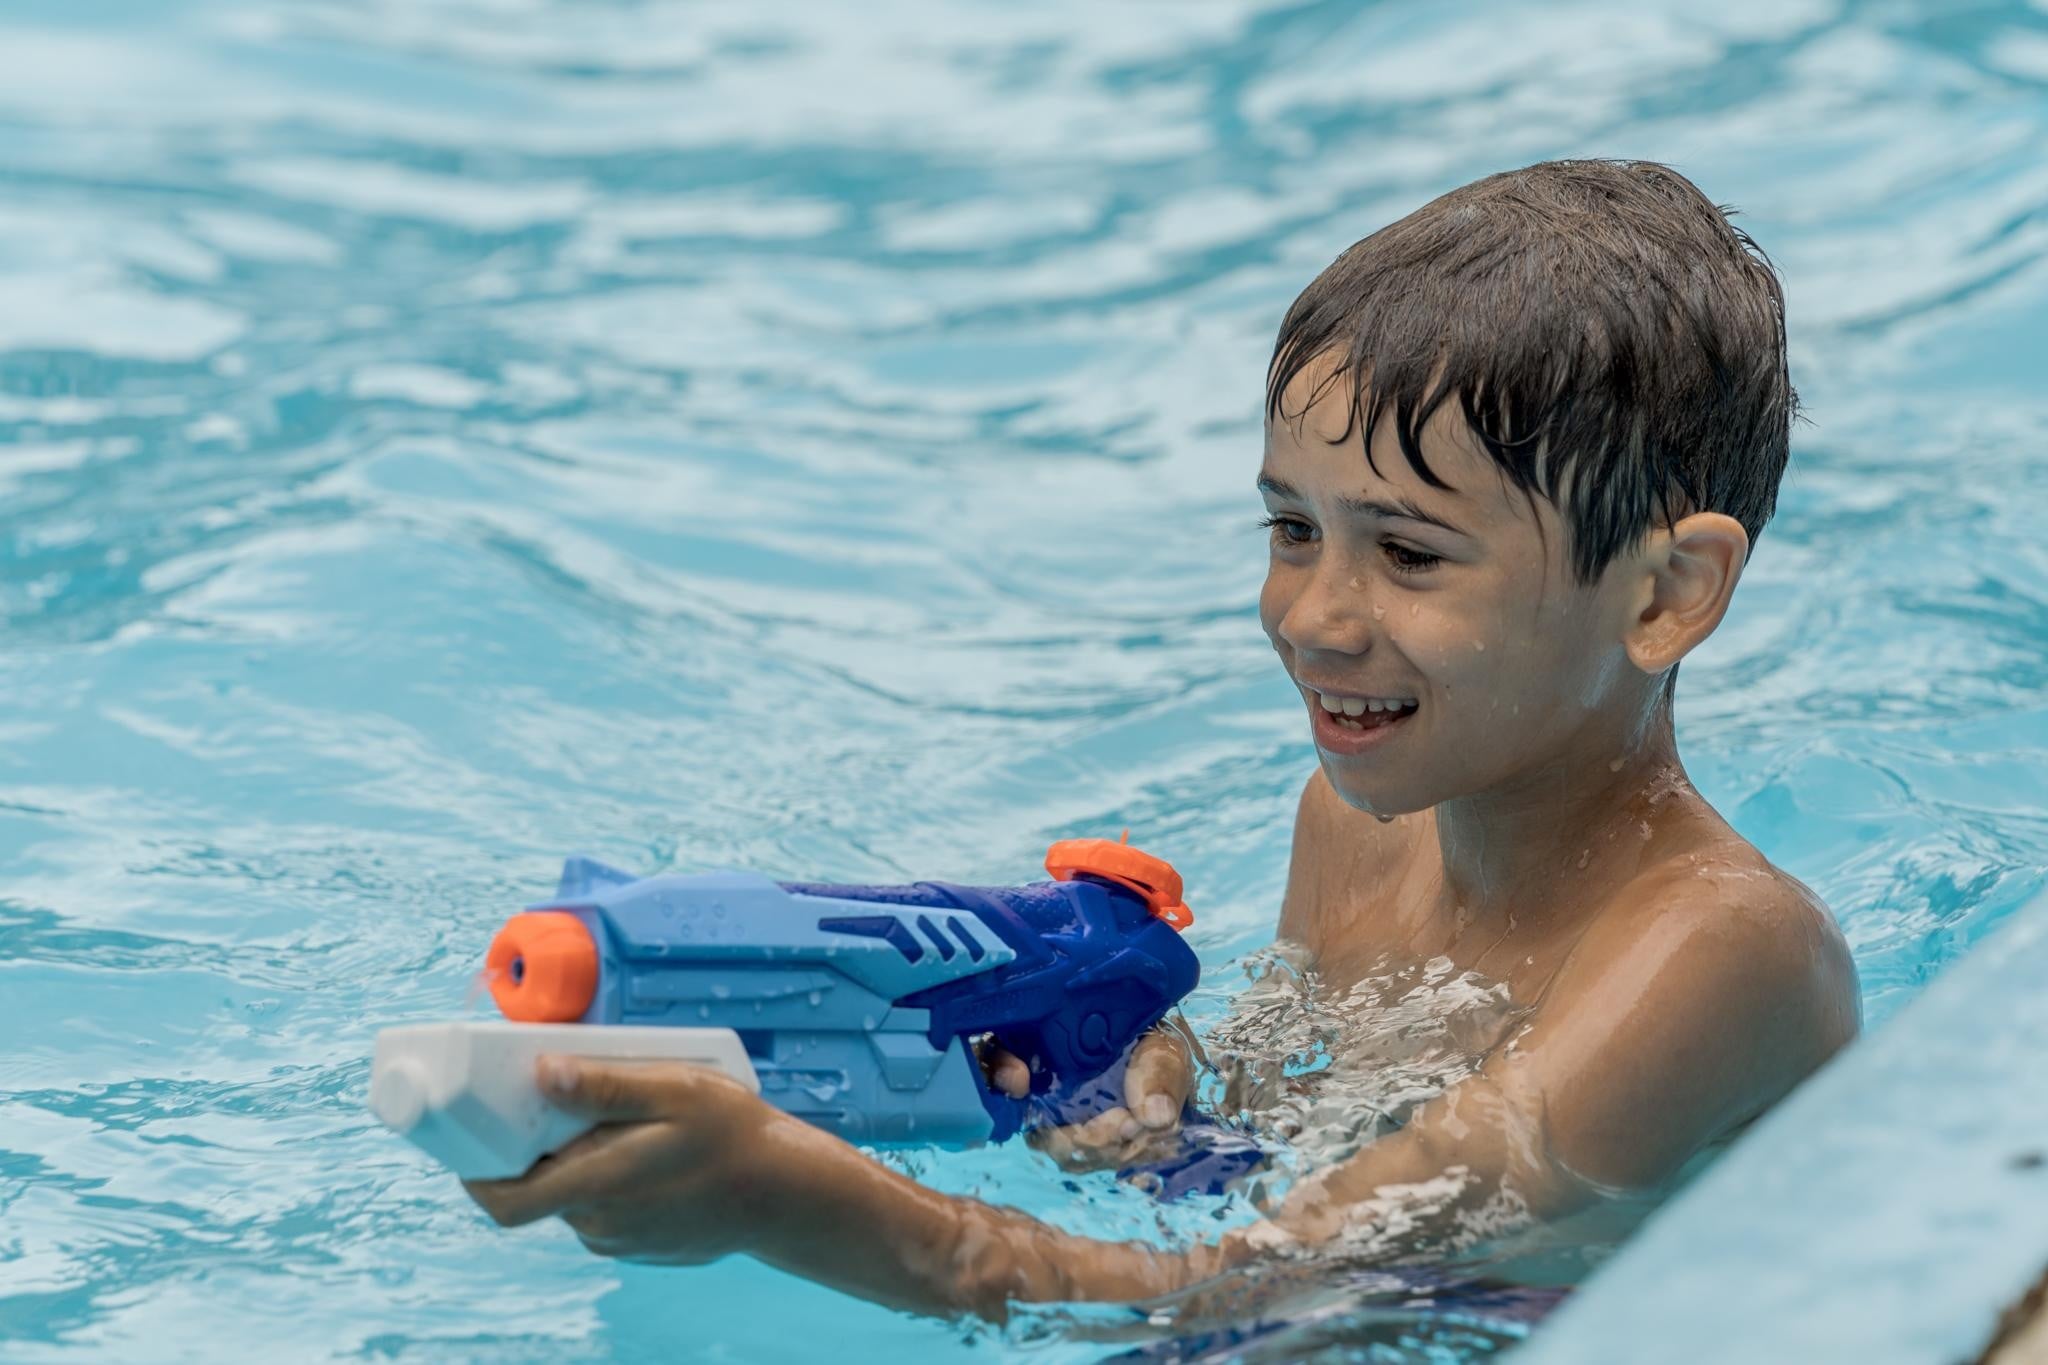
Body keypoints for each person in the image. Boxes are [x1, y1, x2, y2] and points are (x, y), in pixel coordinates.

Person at [461, 159, 1861, 1321]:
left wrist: (774, 1194)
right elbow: (1271, 1170)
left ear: (1666, 595)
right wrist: (1162, 1095)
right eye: (1293, 528)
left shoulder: (1722, 949)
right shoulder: (1358, 829)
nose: (1313, 616)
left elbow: (1243, 1296)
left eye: (1410, 554)